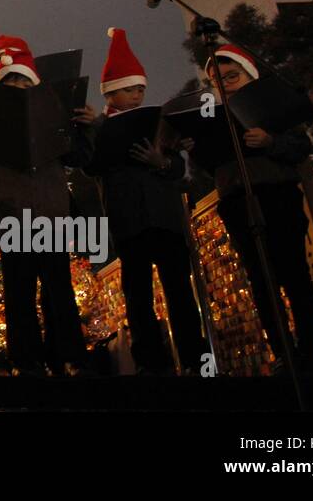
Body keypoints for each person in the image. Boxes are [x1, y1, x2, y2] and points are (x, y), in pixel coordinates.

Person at [185, 44, 313, 375]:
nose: (225, 84)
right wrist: (195, 147)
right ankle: (283, 354)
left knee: (294, 274)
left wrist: (270, 142)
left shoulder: (274, 107)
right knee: (260, 280)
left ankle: (312, 351)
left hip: (278, 195)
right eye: (216, 81)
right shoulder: (212, 116)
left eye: (232, 76)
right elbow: (207, 167)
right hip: (236, 202)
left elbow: (301, 146)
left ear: (251, 74)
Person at [85, 27, 206, 374]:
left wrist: (163, 161)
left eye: (140, 89)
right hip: (128, 219)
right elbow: (89, 166)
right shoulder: (97, 127)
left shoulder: (159, 122)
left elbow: (178, 169)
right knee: (137, 296)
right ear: (111, 92)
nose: (136, 95)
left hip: (165, 217)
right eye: (128, 89)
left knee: (180, 291)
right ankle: (151, 364)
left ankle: (195, 359)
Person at [0, 35, 95, 376]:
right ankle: (27, 360)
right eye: (10, 84)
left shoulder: (54, 116)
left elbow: (80, 158)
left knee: (59, 290)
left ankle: (69, 357)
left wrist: (82, 128)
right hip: (12, 211)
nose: (17, 88)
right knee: (19, 291)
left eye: (23, 83)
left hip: (52, 212)